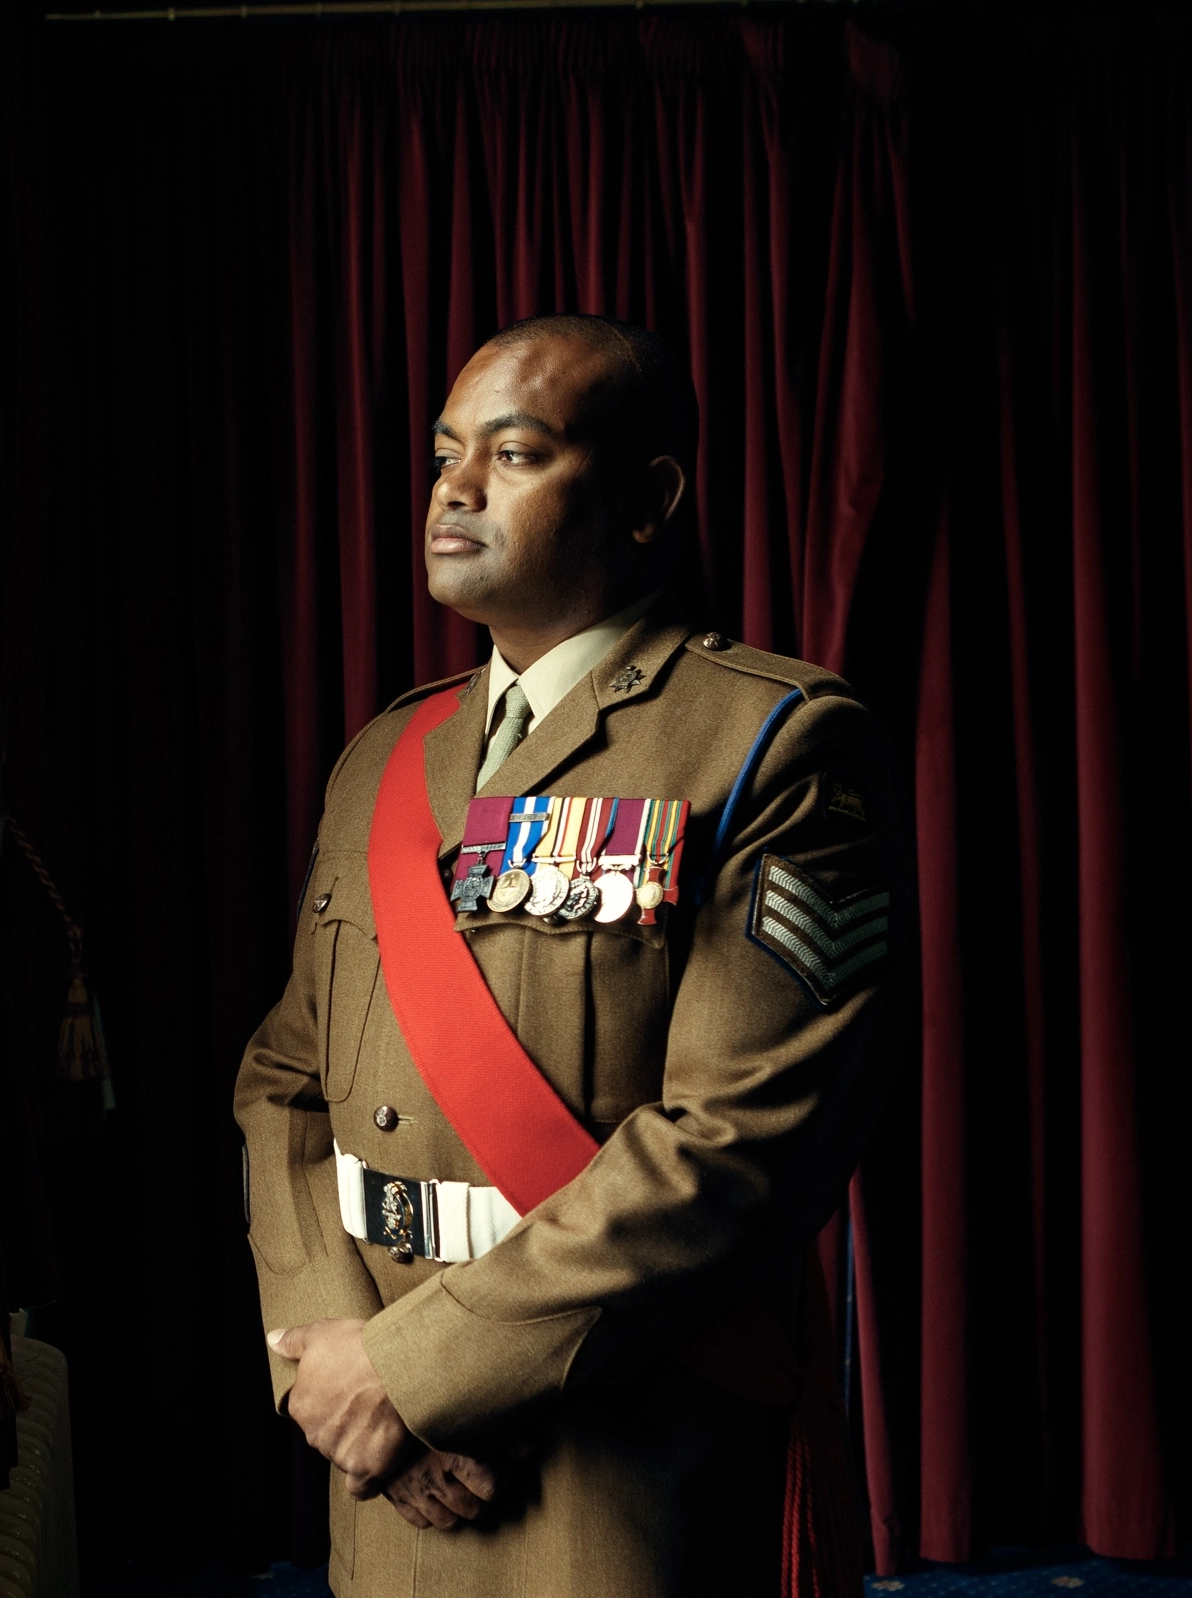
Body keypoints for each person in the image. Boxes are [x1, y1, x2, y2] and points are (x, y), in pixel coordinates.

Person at [238, 315, 905, 1597]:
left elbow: (740, 1142)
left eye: (515, 452)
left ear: (650, 499)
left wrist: (418, 1372)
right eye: (445, 454)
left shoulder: (774, 744)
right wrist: (331, 1357)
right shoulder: (383, 758)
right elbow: (285, 1080)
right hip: (379, 1462)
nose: (456, 488)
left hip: (617, 1459)